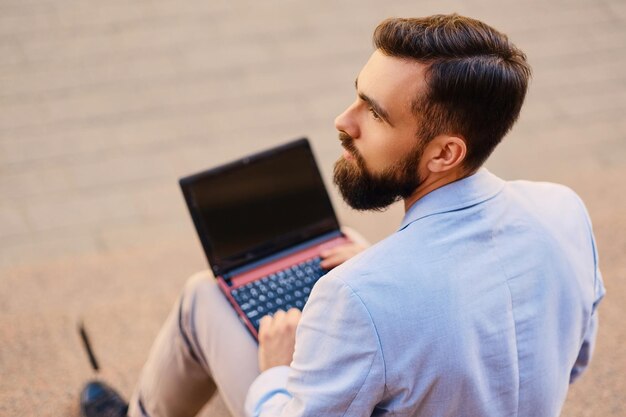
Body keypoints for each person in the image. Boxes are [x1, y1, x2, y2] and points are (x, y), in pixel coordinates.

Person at [79, 14, 605, 417]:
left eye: (375, 113)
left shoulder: (356, 296)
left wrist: (276, 375)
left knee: (203, 297)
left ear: (444, 154)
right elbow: (571, 362)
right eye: (358, 96)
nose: (343, 121)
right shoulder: (563, 211)